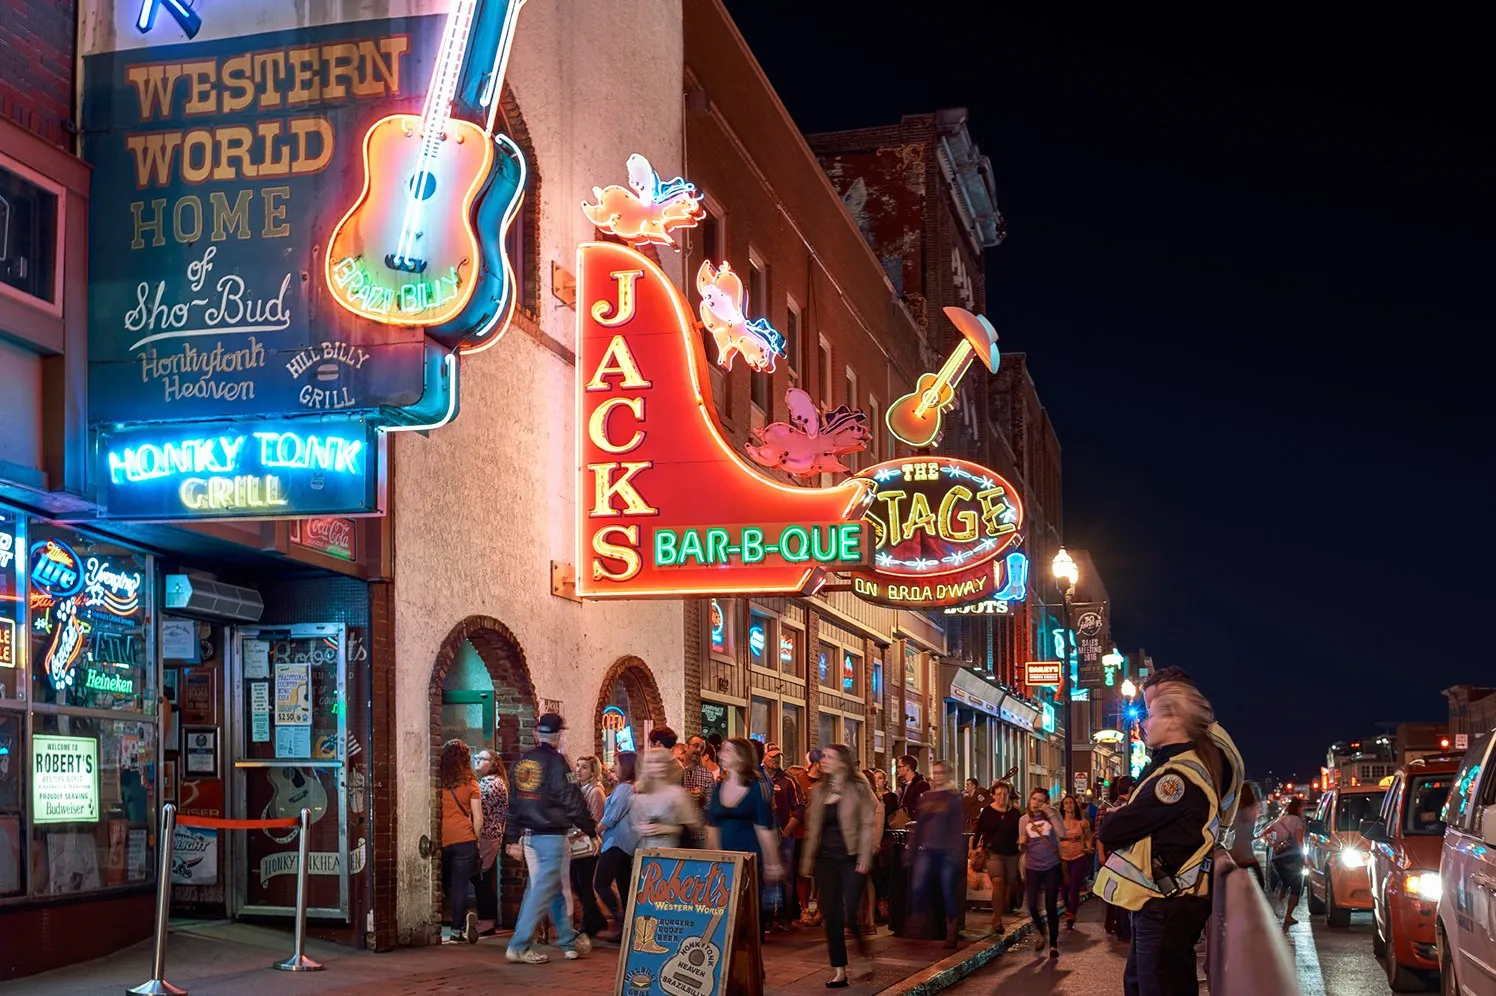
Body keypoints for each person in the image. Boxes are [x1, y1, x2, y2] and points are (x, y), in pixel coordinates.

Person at [1095, 668, 1246, 996]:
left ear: (1174, 719)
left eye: (1151, 714)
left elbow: (1111, 828)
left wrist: (1119, 816)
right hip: (1164, 901)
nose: (1143, 723)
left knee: (1157, 986)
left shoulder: (1177, 776)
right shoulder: (1182, 764)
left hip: (1166, 904)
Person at [504, 713, 597, 965]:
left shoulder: (522, 762)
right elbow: (572, 800)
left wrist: (512, 838)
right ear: (558, 735)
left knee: (552, 888)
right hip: (552, 836)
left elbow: (512, 803)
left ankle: (568, 942)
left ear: (537, 733)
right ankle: (519, 945)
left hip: (530, 837)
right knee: (541, 889)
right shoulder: (558, 763)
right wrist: (590, 830)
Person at [801, 745, 879, 988]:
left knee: (851, 913)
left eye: (828, 757)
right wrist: (807, 861)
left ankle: (863, 951)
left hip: (851, 857)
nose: (822, 760)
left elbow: (867, 824)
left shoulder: (858, 789)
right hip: (826, 859)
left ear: (842, 763)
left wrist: (865, 858)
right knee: (831, 915)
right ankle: (839, 970)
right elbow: (812, 829)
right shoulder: (820, 790)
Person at [706, 738, 786, 941]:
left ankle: (752, 958)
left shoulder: (756, 788)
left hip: (749, 856)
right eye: (722, 750)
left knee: (749, 907)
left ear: (741, 756)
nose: (722, 754)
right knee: (725, 907)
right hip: (725, 858)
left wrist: (772, 863)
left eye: (728, 750)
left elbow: (763, 827)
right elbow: (712, 825)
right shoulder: (719, 786)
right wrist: (712, 858)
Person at [907, 760, 965, 948]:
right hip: (927, 848)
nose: (938, 776)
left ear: (947, 775)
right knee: (918, 885)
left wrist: (956, 851)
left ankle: (951, 928)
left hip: (947, 850)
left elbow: (957, 826)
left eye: (942, 772)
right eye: (936, 772)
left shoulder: (953, 799)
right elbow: (919, 824)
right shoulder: (925, 797)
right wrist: (912, 850)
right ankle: (919, 920)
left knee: (947, 890)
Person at [440, 740, 483, 944]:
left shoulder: (437, 782)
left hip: (442, 839)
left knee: (445, 882)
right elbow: (478, 818)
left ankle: (449, 918)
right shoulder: (471, 783)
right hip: (464, 839)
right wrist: (477, 839)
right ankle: (456, 931)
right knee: (461, 885)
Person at [594, 751, 637, 941]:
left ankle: (619, 919)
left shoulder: (624, 789)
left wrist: (595, 829)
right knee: (624, 884)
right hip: (624, 842)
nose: (614, 768)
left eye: (617, 764)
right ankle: (627, 926)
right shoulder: (628, 787)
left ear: (626, 767)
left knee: (601, 882)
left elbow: (611, 817)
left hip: (616, 842)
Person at [765, 744, 805, 929]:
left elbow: (799, 807)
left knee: (786, 877)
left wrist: (788, 829)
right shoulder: (758, 778)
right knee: (767, 877)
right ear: (764, 757)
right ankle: (767, 916)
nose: (775, 760)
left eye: (778, 757)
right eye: (772, 756)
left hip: (784, 835)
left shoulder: (789, 780)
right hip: (764, 834)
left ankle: (785, 917)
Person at [1020, 788, 1064, 958]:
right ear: (1030, 800)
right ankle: (1041, 931)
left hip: (1051, 865)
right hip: (1032, 866)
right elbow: (1021, 846)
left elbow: (1062, 833)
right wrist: (1021, 842)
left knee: (1051, 905)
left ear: (1046, 802)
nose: (1036, 802)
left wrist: (1050, 814)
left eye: (1041, 800)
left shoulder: (1052, 815)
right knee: (1031, 905)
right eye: (1034, 799)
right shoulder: (1024, 819)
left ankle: (1053, 944)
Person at [973, 781, 1020, 934]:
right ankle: (997, 918)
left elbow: (1020, 832)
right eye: (998, 794)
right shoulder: (987, 811)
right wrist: (974, 849)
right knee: (998, 881)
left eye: (1005, 794)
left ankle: (1002, 906)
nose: (1002, 797)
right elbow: (979, 830)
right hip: (993, 853)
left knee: (1009, 886)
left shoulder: (1014, 813)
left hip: (1012, 853)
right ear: (993, 795)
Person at [570, 756, 610, 939]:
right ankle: (595, 917)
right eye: (578, 766)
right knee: (577, 884)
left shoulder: (595, 792)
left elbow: (596, 820)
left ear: (593, 771)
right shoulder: (579, 789)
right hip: (577, 844)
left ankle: (591, 921)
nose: (579, 770)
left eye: (584, 767)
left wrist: (578, 833)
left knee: (584, 884)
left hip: (587, 844)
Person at [631, 747, 701, 850]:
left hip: (671, 855)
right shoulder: (639, 797)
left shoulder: (677, 794)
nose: (658, 766)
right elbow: (633, 828)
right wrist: (641, 828)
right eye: (653, 762)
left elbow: (692, 828)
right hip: (644, 854)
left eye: (661, 762)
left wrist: (668, 829)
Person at [473, 748, 509, 936]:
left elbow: (481, 809)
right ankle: (485, 919)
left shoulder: (492, 784)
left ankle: (487, 921)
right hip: (490, 835)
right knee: (481, 878)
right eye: (477, 757)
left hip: (487, 836)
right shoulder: (489, 782)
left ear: (493, 763)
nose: (477, 761)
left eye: (482, 758)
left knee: (482, 878)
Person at [1096, 775, 1135, 940]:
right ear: (1131, 788)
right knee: (1122, 891)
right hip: (1124, 855)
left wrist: (1101, 853)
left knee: (1113, 889)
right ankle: (1123, 929)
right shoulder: (1130, 808)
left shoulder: (1106, 807)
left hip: (1112, 854)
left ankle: (1113, 924)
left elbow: (1099, 833)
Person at [1262, 797, 1307, 928]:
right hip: (1292, 858)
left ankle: (1278, 905)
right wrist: (1304, 859)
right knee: (1296, 886)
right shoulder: (1297, 821)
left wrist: (1272, 843)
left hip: (1277, 858)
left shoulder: (1280, 820)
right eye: (1302, 806)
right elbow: (1299, 842)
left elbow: (1265, 832)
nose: (1303, 809)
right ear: (1298, 808)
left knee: (1285, 881)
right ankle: (1288, 915)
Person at [1057, 793, 1093, 929]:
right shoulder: (1059, 822)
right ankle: (1068, 908)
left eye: (1071, 803)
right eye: (1065, 803)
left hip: (1078, 856)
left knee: (1074, 886)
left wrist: (1088, 847)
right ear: (1063, 806)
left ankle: (1071, 913)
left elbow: (1089, 837)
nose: (1068, 805)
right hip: (1063, 858)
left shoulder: (1082, 822)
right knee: (1064, 888)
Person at [1228, 783, 1264, 890]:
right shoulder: (1253, 809)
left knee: (1232, 883)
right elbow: (1249, 831)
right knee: (1261, 882)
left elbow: (1231, 828)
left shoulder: (1235, 810)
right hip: (1248, 853)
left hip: (1236, 851)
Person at [896, 755, 930, 824]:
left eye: (899, 767)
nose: (897, 769)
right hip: (905, 824)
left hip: (915, 825)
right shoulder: (904, 785)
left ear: (907, 767)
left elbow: (923, 807)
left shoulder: (921, 785)